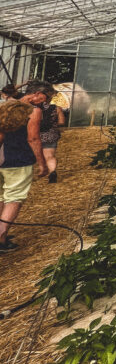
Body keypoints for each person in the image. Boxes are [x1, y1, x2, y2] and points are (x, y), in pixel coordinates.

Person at [0, 81, 51, 252]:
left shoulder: (6, 105)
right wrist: (42, 164)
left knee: (1, 197)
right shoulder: (33, 111)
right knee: (14, 198)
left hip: (1, 158)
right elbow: (33, 138)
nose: (45, 102)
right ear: (37, 94)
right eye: (45, 97)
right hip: (18, 159)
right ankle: (0, 239)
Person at [35, 94, 65, 183]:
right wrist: (53, 124)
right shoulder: (56, 108)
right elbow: (62, 122)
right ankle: (52, 172)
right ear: (50, 98)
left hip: (35, 134)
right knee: (50, 156)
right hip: (50, 135)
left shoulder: (32, 108)